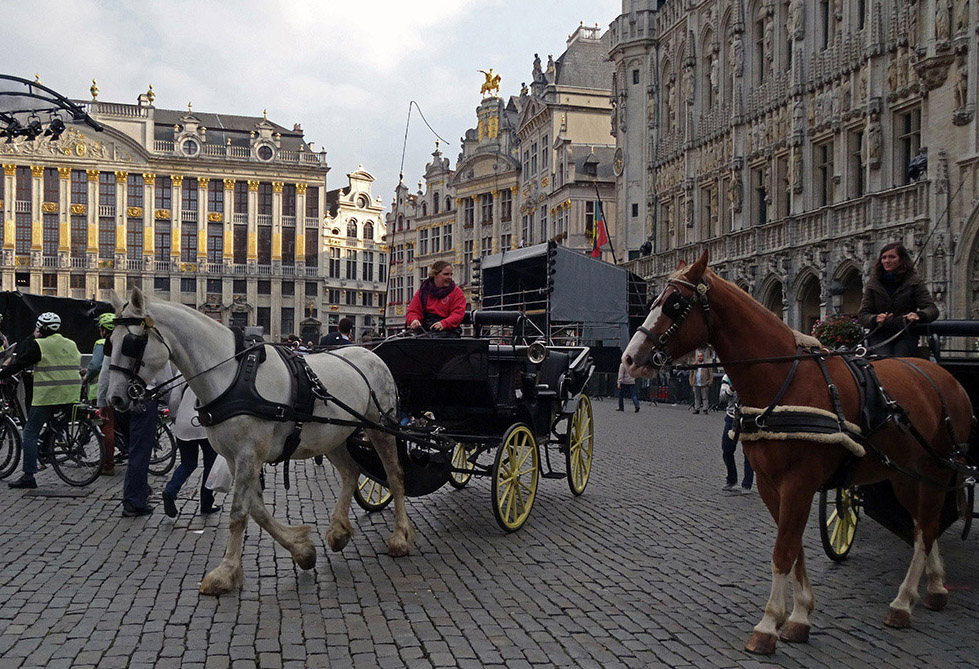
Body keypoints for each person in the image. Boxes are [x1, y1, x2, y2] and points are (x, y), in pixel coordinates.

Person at [0, 312, 82, 489]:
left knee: (29, 433)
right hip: (71, 393)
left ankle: (29, 476)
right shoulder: (71, 343)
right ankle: (48, 447)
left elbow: (19, 362)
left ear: (41, 328)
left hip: (48, 394)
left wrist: (2, 373)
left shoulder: (40, 344)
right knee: (54, 424)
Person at [858, 242, 938, 357]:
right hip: (880, 334)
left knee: (901, 362)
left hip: (905, 333)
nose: (887, 261)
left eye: (892, 257)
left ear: (902, 260)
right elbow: (863, 314)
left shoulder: (914, 282)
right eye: (884, 257)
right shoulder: (873, 283)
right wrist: (875, 319)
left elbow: (931, 309)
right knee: (884, 362)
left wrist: (918, 315)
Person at [122, 360, 173, 517]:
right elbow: (165, 382)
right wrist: (174, 410)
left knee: (132, 449)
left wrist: (103, 402)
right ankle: (133, 502)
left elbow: (106, 371)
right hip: (143, 400)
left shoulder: (117, 341)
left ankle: (140, 488)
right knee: (140, 453)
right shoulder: (154, 345)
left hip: (121, 400)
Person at [162, 383, 220, 518]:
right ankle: (206, 503)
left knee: (187, 463)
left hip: (184, 423)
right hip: (205, 423)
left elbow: (174, 399)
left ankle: (170, 490)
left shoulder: (182, 371)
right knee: (210, 464)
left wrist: (173, 415)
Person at [84, 313, 117, 475]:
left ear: (105, 329)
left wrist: (86, 377)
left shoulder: (101, 343)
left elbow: (96, 366)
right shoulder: (120, 342)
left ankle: (108, 464)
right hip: (118, 391)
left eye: (101, 328)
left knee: (106, 427)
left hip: (102, 393)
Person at [405, 260, 466, 336]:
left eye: (451, 274)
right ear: (435, 275)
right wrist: (414, 320)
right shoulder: (423, 291)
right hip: (425, 329)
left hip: (447, 331)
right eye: (446, 274)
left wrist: (443, 324)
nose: (449, 277)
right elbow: (413, 310)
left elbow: (457, 314)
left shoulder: (457, 292)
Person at [719, 374, 753, 494]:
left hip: (748, 417)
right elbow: (722, 398)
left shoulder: (752, 374)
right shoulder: (727, 377)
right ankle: (731, 479)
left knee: (748, 453)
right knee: (727, 450)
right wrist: (732, 388)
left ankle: (747, 484)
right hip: (731, 417)